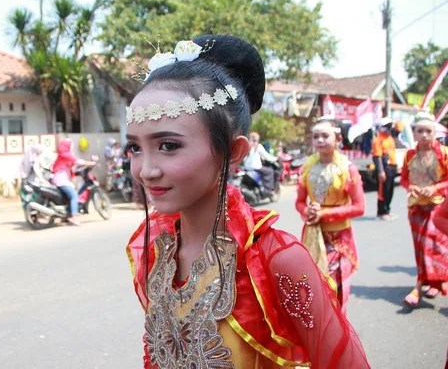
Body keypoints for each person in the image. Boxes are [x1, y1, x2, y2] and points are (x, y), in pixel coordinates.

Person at [125, 35, 369, 368]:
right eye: (135, 148)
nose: (146, 170)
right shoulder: (157, 249)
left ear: (234, 151)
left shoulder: (276, 262)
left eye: (168, 145)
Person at [295, 118, 366, 314]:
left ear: (338, 139)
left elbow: (359, 207)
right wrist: (306, 211)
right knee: (314, 287)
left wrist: (324, 213)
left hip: (339, 238)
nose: (320, 140)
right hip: (313, 235)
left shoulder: (347, 168)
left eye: (325, 136)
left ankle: (338, 334)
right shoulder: (307, 167)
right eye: (315, 136)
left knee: (335, 289)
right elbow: (300, 201)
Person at [400, 112, 448, 307]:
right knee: (420, 249)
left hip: (437, 209)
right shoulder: (410, 155)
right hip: (416, 208)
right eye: (420, 131)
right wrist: (410, 187)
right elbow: (403, 178)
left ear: (435, 133)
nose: (425, 135)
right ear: (415, 133)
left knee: (435, 248)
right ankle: (433, 283)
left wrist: (435, 188)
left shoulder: (443, 153)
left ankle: (419, 287)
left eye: (429, 131)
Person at [51, 138, 97, 226]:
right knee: (74, 195)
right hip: (61, 180)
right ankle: (74, 217)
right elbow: (78, 161)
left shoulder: (63, 155)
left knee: (68, 197)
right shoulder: (66, 154)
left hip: (61, 179)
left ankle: (66, 216)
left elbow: (72, 165)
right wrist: (90, 163)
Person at [372, 117, 397, 220]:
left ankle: (387, 210)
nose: (388, 128)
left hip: (391, 167)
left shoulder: (389, 138)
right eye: (386, 126)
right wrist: (380, 171)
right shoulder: (378, 140)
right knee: (383, 191)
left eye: (389, 126)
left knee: (390, 190)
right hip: (384, 167)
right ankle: (381, 212)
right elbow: (377, 157)